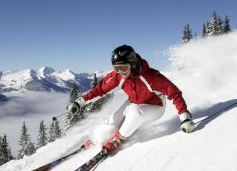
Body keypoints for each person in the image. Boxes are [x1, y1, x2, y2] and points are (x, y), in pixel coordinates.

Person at [68, 45, 196, 154]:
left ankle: (118, 138)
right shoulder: (118, 76)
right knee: (111, 123)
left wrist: (185, 118)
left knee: (135, 112)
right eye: (116, 68)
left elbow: (175, 94)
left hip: (155, 106)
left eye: (123, 68)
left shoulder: (151, 77)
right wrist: (80, 102)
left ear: (133, 64)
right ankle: (98, 139)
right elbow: (100, 90)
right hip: (133, 102)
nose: (120, 72)